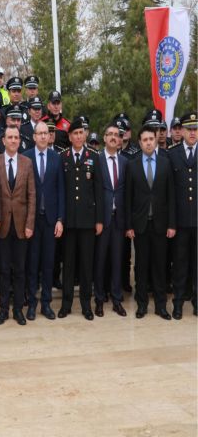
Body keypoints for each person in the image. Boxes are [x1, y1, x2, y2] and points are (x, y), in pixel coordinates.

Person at [126, 125, 176, 319]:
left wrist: (172, 224)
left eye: (151, 139)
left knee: (160, 266)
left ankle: (161, 306)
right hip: (140, 225)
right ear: (140, 142)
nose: (148, 142)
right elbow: (128, 198)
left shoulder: (165, 163)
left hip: (161, 225)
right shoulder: (132, 164)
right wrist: (129, 225)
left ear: (156, 141)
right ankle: (142, 305)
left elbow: (171, 196)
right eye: (144, 139)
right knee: (141, 266)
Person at [59, 117, 104, 321]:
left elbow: (99, 192)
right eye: (74, 133)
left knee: (86, 265)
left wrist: (99, 220)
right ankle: (66, 304)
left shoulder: (94, 156)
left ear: (85, 135)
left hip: (87, 222)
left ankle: (86, 304)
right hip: (69, 222)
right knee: (68, 265)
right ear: (69, 137)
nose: (78, 136)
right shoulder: (63, 157)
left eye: (81, 133)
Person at [23, 121, 65, 320]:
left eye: (45, 133)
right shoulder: (26, 158)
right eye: (38, 133)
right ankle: (31, 303)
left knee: (48, 264)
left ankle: (46, 304)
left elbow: (61, 191)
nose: (42, 136)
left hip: (50, 220)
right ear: (33, 136)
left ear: (49, 137)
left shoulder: (57, 159)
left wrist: (60, 219)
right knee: (32, 263)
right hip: (32, 221)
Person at [0, 126, 36, 325]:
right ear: (3, 140)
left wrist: (29, 224)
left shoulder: (27, 163)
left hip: (21, 226)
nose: (12, 140)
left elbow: (32, 196)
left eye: (16, 138)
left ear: (20, 141)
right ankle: (3, 309)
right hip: (2, 225)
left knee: (20, 270)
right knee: (3, 270)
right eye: (9, 137)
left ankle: (18, 309)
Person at [93, 123, 128, 317]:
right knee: (100, 261)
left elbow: (127, 194)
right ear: (104, 139)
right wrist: (97, 219)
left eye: (117, 135)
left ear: (120, 140)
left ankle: (116, 299)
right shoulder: (96, 161)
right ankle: (99, 299)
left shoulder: (125, 162)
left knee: (117, 261)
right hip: (102, 220)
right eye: (110, 134)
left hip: (119, 220)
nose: (114, 137)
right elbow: (94, 193)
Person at [168, 112, 197, 318]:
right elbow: (169, 193)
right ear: (182, 132)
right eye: (189, 129)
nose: (193, 133)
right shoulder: (172, 154)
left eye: (196, 129)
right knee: (179, 264)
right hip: (179, 220)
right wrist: (171, 221)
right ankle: (177, 303)